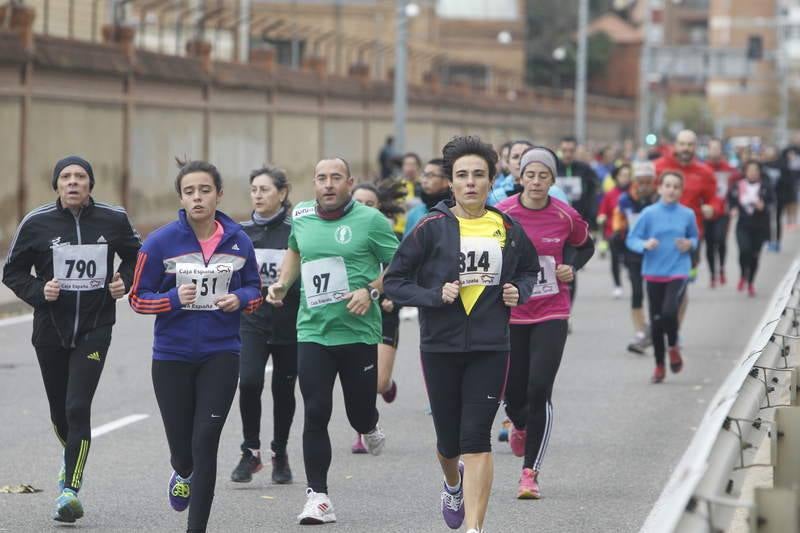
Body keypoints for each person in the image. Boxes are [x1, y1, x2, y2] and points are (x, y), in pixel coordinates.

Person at [384, 136, 539, 533]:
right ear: (450, 184)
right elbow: (395, 282)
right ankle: (452, 483)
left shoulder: (506, 227)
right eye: (462, 176)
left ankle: (474, 528)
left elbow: (527, 270)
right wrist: (434, 296)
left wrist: (516, 291)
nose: (470, 183)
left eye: (478, 175)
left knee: (477, 438)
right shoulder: (430, 227)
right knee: (449, 443)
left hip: (491, 344)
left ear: (492, 181)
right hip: (440, 344)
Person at [2, 155, 141, 523]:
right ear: (57, 185)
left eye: (81, 176)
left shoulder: (113, 219)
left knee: (78, 407)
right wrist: (37, 290)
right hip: (50, 329)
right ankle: (70, 460)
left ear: (90, 184)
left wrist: (123, 281)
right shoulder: (36, 222)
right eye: (66, 177)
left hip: (95, 328)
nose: (73, 182)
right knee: (60, 413)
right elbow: (11, 271)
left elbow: (137, 258)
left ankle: (70, 490)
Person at [129, 159, 262, 533]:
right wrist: (173, 298)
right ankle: (180, 471)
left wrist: (240, 299)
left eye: (205, 190)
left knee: (206, 442)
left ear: (219, 194)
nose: (198, 197)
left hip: (221, 353)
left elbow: (255, 291)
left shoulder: (239, 241)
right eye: (189, 192)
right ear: (181, 198)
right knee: (184, 452)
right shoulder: (159, 242)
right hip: (171, 356)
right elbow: (138, 299)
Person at [266, 157, 399, 525]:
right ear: (313, 183)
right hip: (313, 331)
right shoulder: (304, 214)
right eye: (321, 178)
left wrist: (371, 291)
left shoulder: (371, 221)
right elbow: (295, 248)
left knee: (358, 412)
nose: (328, 184)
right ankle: (319, 497)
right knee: (316, 410)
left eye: (336, 178)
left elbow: (401, 265)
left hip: (358, 333)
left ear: (350, 183)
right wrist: (283, 283)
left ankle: (369, 424)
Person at [495, 147, 594, 500]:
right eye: (530, 175)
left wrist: (571, 265)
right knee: (513, 392)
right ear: (519, 178)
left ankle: (530, 473)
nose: (536, 182)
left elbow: (585, 245)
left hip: (552, 310)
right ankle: (518, 422)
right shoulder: (503, 214)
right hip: (512, 312)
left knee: (539, 389)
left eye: (543, 176)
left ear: (553, 180)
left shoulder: (565, 215)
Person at [230, 166, 299, 485]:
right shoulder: (239, 233)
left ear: (282, 194)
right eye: (254, 189)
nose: (258, 195)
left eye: (265, 189)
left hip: (289, 323)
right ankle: (250, 451)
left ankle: (280, 453)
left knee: (283, 389)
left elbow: (305, 273)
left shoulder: (295, 231)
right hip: (252, 321)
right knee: (250, 382)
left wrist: (286, 289)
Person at [626, 170, 698, 383]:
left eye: (676, 187)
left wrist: (690, 244)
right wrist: (644, 245)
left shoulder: (687, 214)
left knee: (669, 312)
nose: (671, 190)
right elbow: (632, 238)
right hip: (654, 272)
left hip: (678, 270)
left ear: (681, 191)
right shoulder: (649, 213)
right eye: (668, 185)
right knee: (657, 322)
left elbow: (694, 237)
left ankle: (673, 346)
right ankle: (659, 365)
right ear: (660, 188)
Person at [350, 181, 406, 453]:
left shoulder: (389, 235)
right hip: (356, 315)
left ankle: (388, 384)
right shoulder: (341, 237)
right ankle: (363, 431)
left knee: (379, 383)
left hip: (384, 313)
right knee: (361, 380)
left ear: (379, 209)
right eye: (358, 203)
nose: (363, 209)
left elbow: (405, 273)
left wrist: (394, 298)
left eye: (369, 204)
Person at [654, 130, 717, 280]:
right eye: (682, 144)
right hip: (662, 230)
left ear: (695, 147)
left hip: (691, 231)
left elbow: (713, 198)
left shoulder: (705, 172)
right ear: (675, 145)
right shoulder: (658, 166)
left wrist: (712, 208)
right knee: (664, 280)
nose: (685, 148)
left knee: (682, 280)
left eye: (690, 144)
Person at [613, 162, 659, 354]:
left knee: (655, 294)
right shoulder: (625, 199)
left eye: (648, 182)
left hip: (656, 252)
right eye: (640, 181)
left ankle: (657, 330)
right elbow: (618, 222)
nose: (644, 186)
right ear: (634, 181)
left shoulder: (658, 199)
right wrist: (619, 231)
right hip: (633, 252)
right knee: (637, 292)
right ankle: (640, 331)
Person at [729, 160, 774, 297]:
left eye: (755, 170)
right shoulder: (738, 186)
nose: (753, 173)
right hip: (743, 225)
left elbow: (772, 204)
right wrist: (733, 209)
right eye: (750, 170)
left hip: (759, 227)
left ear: (759, 172)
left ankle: (751, 283)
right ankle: (743, 274)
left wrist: (764, 207)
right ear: (745, 171)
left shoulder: (765, 186)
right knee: (744, 251)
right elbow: (731, 201)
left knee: (754, 256)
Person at [703, 139, 739, 286]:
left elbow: (737, 188)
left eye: (717, 148)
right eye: (712, 148)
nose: (714, 151)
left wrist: (734, 205)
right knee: (710, 244)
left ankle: (722, 269)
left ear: (721, 150)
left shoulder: (729, 169)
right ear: (708, 150)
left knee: (720, 239)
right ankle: (712, 274)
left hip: (723, 211)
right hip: (707, 211)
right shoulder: (703, 168)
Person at [597, 163, 632, 299]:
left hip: (631, 232)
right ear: (616, 177)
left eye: (628, 176)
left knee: (630, 260)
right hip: (613, 233)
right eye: (622, 175)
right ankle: (617, 285)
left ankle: (632, 272)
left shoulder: (633, 193)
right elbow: (603, 211)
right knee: (615, 260)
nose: (625, 178)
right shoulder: (610, 194)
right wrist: (602, 217)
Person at [405, 158, 451, 236]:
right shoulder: (415, 213)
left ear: (446, 181)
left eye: (430, 175)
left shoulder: (454, 212)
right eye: (424, 175)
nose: (424, 180)